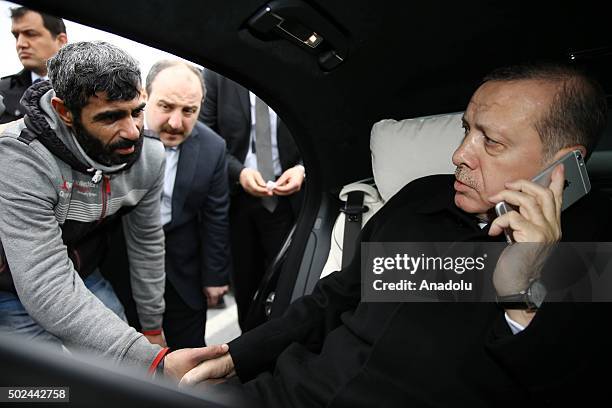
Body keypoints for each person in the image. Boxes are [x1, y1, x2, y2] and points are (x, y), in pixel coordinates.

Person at [180, 63, 612, 406]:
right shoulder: (422, 199)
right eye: (466, 130)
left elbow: (551, 387)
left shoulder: (591, 255)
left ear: (561, 165)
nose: (460, 155)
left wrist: (520, 294)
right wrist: (236, 356)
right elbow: (336, 300)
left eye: (492, 142)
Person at [0, 41, 222, 378]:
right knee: (40, 391)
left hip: (87, 275)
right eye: (110, 116)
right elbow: (44, 282)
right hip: (13, 287)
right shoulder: (20, 157)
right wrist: (149, 361)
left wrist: (150, 329)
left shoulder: (149, 154)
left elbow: (147, 244)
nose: (133, 130)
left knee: (122, 381)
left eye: (136, 111)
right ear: (64, 111)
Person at [200, 70, 305, 330]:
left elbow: (321, 127)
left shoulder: (298, 74)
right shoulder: (216, 76)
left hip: (290, 197)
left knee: (292, 280)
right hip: (237, 199)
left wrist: (303, 168)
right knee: (246, 286)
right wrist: (239, 172)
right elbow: (205, 134)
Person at [144, 60, 230, 349]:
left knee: (188, 357)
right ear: (145, 96)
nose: (176, 123)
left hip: (184, 273)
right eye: (166, 107)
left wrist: (215, 276)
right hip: (124, 270)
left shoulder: (213, 148)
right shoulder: (119, 135)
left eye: (189, 111)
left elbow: (216, 215)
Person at [0, 6, 67, 124]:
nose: (20, 44)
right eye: (16, 36)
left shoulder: (87, 91)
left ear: (61, 41)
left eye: (30, 34)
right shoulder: (1, 91)